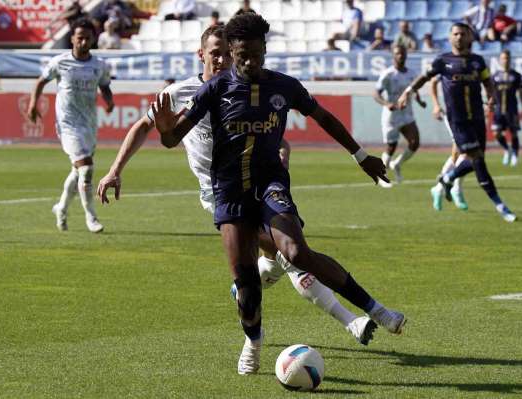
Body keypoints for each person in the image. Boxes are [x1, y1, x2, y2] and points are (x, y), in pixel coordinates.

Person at [97, 24, 381, 364]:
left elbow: (267, 133)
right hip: (219, 192)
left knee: (282, 255)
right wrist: (115, 170)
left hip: (256, 185)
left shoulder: (247, 88)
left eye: (224, 53)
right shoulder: (181, 92)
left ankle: (265, 288)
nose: (220, 59)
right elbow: (145, 127)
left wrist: (282, 151)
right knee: (287, 254)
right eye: (213, 53)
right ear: (200, 54)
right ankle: (350, 321)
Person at [397, 22, 517, 222]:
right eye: (456, 34)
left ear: (470, 37)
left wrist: (492, 96)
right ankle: (500, 205)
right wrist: (408, 92)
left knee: (475, 161)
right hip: (458, 120)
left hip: (477, 117)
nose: (459, 37)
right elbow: (425, 78)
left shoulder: (478, 62)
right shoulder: (443, 61)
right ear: (450, 37)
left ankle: (446, 180)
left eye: (463, 34)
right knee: (476, 158)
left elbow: (488, 81)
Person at [27, 18, 114, 233]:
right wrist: (32, 105)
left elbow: (104, 85)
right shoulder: (60, 62)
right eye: (79, 38)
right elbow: (40, 81)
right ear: (72, 39)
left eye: (87, 38)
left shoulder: (99, 65)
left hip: (89, 124)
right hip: (67, 124)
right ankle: (91, 218)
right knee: (86, 168)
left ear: (93, 39)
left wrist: (109, 101)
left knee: (78, 173)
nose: (83, 41)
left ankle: (61, 209)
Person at [372, 45, 425, 187]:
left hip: (407, 113)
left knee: (415, 142)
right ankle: (381, 176)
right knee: (391, 147)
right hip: (392, 115)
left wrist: (420, 101)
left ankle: (397, 164)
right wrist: (386, 103)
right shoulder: (388, 74)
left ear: (406, 55)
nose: (400, 56)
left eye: (402, 54)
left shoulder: (412, 73)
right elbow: (376, 93)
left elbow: (414, 89)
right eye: (397, 54)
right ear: (393, 56)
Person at [429, 76, 469, 211]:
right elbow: (433, 81)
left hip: (469, 111)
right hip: (453, 111)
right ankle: (455, 189)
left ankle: (439, 188)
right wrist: (436, 104)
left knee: (465, 151)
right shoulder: (446, 61)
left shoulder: (473, 63)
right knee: (463, 149)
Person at [492, 50, 522, 167]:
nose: (505, 60)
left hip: (512, 110)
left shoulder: (516, 75)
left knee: (514, 133)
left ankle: (515, 155)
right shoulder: (495, 76)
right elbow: (491, 92)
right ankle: (507, 149)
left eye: (507, 58)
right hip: (498, 110)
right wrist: (490, 104)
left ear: (510, 59)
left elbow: (521, 93)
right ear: (500, 60)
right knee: (496, 133)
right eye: (503, 58)